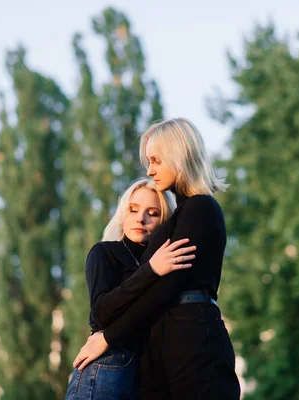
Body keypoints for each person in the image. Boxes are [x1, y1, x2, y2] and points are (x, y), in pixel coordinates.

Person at [73, 118, 241, 400]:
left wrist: (108, 337)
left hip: (194, 340)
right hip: (162, 348)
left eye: (156, 160)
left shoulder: (201, 208)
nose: (150, 170)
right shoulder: (175, 219)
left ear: (178, 156)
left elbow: (166, 288)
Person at [65, 179, 196, 400]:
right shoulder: (105, 252)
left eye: (152, 213)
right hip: (108, 365)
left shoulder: (168, 262)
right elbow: (101, 312)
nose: (140, 218)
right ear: (123, 213)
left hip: (149, 377)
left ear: (164, 221)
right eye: (133, 209)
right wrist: (151, 270)